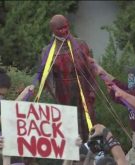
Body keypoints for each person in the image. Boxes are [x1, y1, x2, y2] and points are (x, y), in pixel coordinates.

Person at [36, 14, 97, 142]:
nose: (64, 31)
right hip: (63, 91)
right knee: (70, 123)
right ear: (53, 30)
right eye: (60, 29)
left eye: (65, 27)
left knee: (88, 120)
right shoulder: (47, 51)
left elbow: (91, 68)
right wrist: (54, 94)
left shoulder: (81, 44)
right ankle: (74, 157)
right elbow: (45, 77)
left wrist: (92, 89)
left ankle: (92, 151)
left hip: (83, 88)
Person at [89, 58, 135, 164]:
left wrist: (109, 81)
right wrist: (103, 73)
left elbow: (119, 91)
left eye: (132, 76)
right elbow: (118, 85)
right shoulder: (133, 92)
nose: (129, 78)